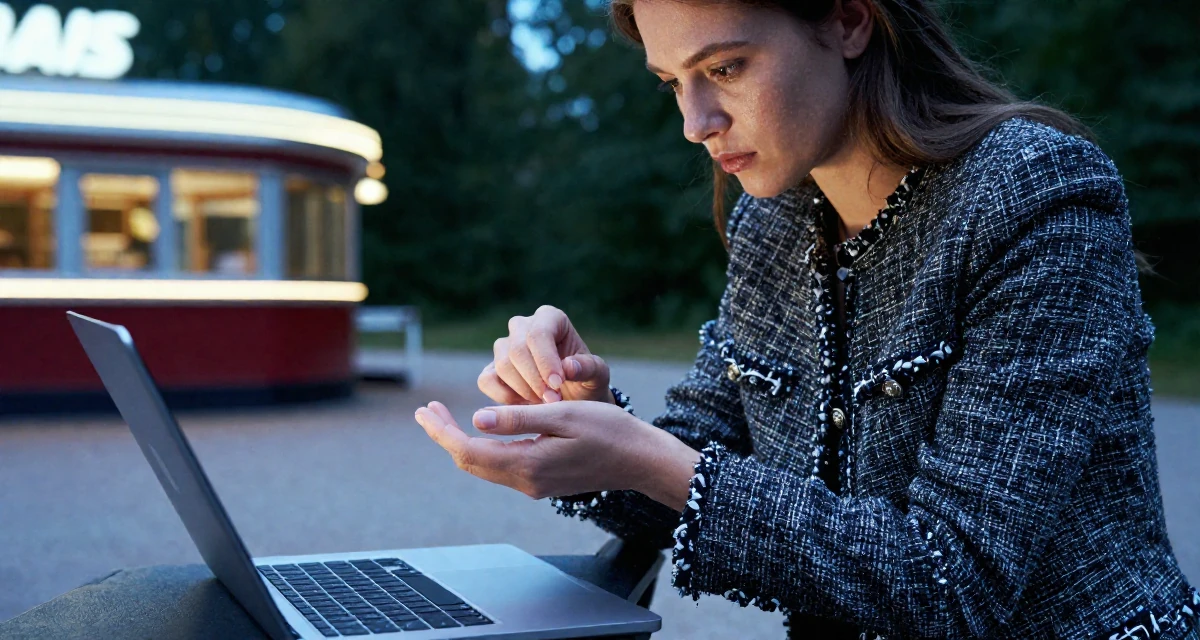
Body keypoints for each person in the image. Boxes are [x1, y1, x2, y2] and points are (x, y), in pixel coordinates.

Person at [415, 1, 1197, 637]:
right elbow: (695, 453)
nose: (696, 122)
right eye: (671, 82)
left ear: (849, 22)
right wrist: (578, 419)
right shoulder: (774, 224)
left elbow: (955, 578)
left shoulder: (1035, 196)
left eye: (724, 68)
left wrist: (646, 461)